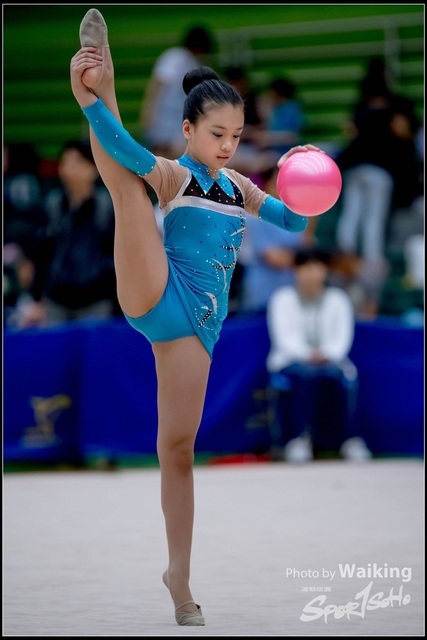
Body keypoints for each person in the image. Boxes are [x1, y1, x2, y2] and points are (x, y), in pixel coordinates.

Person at [71, 8, 324, 626]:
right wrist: (91, 104)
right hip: (156, 289)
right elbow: (126, 150)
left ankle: (178, 576)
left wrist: (309, 176)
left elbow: (295, 220)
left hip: (196, 327)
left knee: (177, 449)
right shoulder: (174, 175)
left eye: (236, 135)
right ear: (188, 130)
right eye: (217, 134)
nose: (228, 146)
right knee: (128, 188)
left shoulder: (240, 187)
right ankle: (100, 79)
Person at [266, 247, 372, 464]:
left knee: (339, 377)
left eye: (316, 268)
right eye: (305, 268)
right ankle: (298, 440)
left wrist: (326, 354)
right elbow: (283, 338)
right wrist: (308, 355)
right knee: (304, 375)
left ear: (325, 271)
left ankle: (350, 439)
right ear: (296, 271)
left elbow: (342, 339)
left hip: (331, 361)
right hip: (291, 361)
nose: (311, 274)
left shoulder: (338, 299)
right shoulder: (282, 299)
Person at [335, 56, 422, 318]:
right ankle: (370, 260)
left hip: (358, 169)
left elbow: (350, 134)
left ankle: (346, 252)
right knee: (372, 219)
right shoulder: (391, 109)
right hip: (378, 173)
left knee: (352, 215)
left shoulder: (362, 109)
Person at [21, 139, 117, 327]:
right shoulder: (50, 205)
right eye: (65, 163)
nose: (70, 170)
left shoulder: (107, 207)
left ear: (94, 169)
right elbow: (42, 255)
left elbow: (115, 254)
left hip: (96, 297)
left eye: (78, 163)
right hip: (57, 298)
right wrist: (36, 298)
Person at [241, 164, 310, 313]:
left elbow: (306, 246)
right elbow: (273, 257)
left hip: (291, 292)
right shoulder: (257, 215)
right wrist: (302, 260)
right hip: (264, 294)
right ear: (267, 185)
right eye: (278, 184)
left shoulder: (294, 216)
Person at [139, 23, 214, 159]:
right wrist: (148, 112)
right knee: (159, 157)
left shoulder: (195, 63)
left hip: (178, 122)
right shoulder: (174, 57)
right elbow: (157, 85)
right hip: (163, 118)